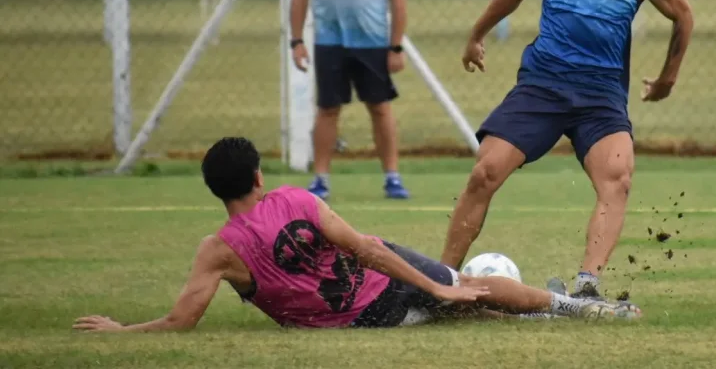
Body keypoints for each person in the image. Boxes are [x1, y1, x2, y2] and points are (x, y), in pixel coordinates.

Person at [72, 137, 640, 334]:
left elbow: (180, 322)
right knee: (462, 288)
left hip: (358, 321)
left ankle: (541, 314)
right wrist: (435, 284)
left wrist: (122, 331)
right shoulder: (295, 199)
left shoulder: (216, 251)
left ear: (214, 189)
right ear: (257, 177)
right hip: (381, 288)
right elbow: (366, 249)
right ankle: (575, 307)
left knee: (461, 307)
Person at [439, 0, 694, 301]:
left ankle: (588, 286)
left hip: (600, 96)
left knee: (618, 179)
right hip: (542, 86)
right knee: (485, 171)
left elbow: (684, 14)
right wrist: (475, 35)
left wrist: (668, 77)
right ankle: (441, 282)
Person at [289, 0, 410, 200]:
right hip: (329, 40)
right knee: (328, 108)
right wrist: (296, 41)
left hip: (372, 40)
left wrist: (396, 46)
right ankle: (320, 180)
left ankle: (392, 177)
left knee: (380, 107)